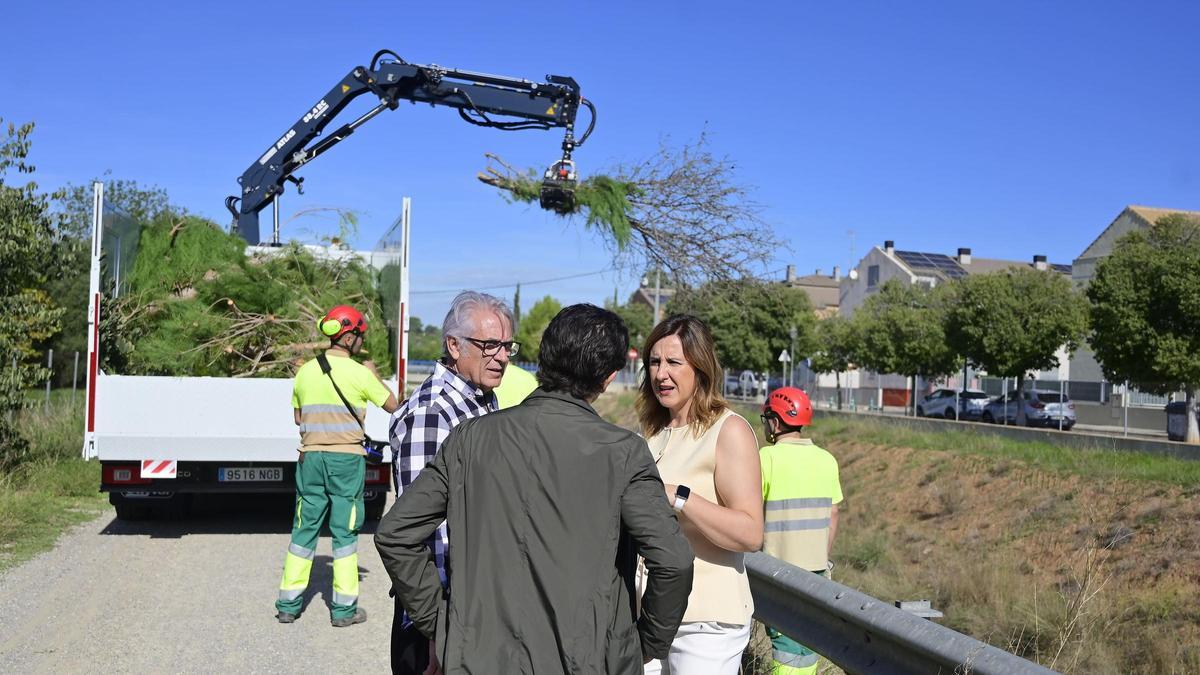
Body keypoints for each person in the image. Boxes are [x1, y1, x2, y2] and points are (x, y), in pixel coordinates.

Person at [376, 304, 695, 673]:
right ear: (608, 378)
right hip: (587, 660)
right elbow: (673, 561)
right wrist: (643, 644)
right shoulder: (623, 452)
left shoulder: (470, 438)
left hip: (480, 659)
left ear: (543, 359)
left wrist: (445, 625)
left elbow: (396, 533)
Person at [386, 290, 516, 673]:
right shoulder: (433, 413)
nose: (503, 356)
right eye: (490, 345)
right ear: (454, 346)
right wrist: (436, 632)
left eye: (507, 346)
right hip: (438, 617)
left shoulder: (479, 400)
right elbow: (422, 535)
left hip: (468, 606)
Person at [637, 314, 764, 675]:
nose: (661, 374)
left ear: (701, 368)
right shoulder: (652, 432)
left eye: (674, 362)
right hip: (648, 616)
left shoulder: (729, 430)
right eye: (654, 362)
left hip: (706, 625)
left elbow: (751, 533)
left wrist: (680, 497)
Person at [275, 304, 399, 626]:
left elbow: (298, 418)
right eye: (360, 335)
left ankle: (288, 606)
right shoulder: (360, 373)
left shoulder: (305, 371)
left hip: (310, 459)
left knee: (304, 529)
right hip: (346, 461)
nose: (362, 341)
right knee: (344, 534)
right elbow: (394, 405)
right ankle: (343, 611)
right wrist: (374, 374)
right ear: (349, 337)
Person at [759, 387, 842, 675]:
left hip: (779, 571)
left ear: (776, 422)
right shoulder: (826, 459)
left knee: (787, 647)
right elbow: (833, 513)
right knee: (807, 643)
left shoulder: (767, 458)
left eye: (767, 419)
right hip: (817, 570)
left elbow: (750, 511)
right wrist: (821, 556)